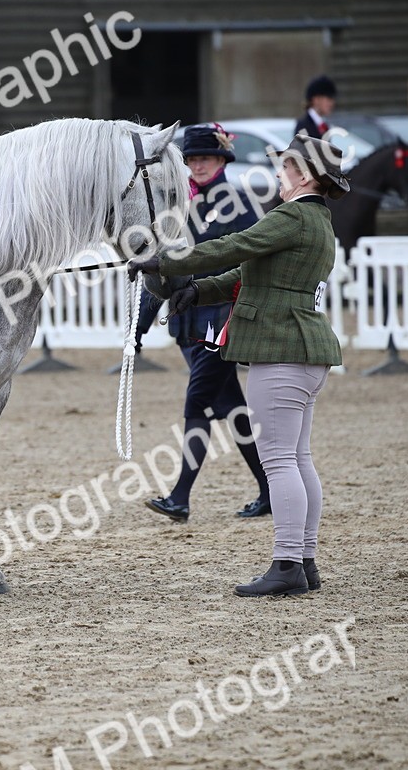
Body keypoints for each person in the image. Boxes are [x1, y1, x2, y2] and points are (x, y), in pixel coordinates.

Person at [128, 131, 348, 598]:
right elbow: (246, 274)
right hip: (306, 352)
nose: (278, 175)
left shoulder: (292, 215)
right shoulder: (318, 221)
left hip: (281, 349)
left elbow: (234, 246)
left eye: (285, 168)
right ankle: (304, 561)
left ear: (304, 175)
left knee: (280, 461)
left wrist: (164, 262)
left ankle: (288, 563)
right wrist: (196, 291)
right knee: (298, 458)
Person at [139, 123, 271, 524]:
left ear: (222, 160)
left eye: (206, 158)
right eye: (192, 159)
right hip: (188, 324)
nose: (198, 166)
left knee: (198, 401)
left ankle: (180, 498)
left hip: (221, 319)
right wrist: (139, 327)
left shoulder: (239, 205)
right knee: (230, 406)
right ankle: (268, 489)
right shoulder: (176, 208)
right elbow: (162, 268)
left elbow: (245, 262)